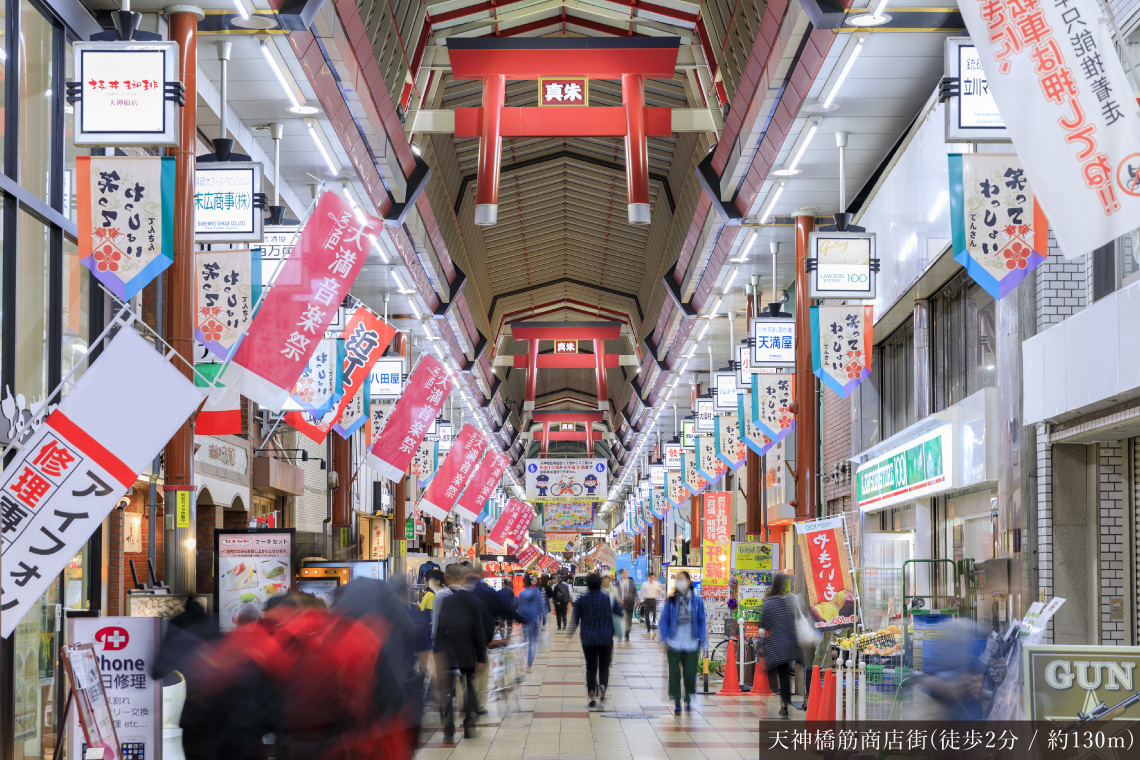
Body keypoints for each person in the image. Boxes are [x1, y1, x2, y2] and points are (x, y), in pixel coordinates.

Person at [433, 563, 489, 741]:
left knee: (447, 690)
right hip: (467, 652)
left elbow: (440, 628)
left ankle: (448, 725)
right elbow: (478, 631)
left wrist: (437, 652)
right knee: (469, 687)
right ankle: (469, 724)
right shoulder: (474, 601)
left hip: (448, 652)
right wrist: (481, 656)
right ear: (465, 579)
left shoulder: (446, 600)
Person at [567, 573, 621, 709]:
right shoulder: (609, 599)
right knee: (603, 667)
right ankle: (602, 686)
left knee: (590, 668)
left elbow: (574, 621)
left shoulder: (581, 601)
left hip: (588, 639)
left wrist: (568, 637)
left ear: (588, 585)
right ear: (600, 584)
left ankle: (591, 694)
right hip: (605, 638)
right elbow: (620, 613)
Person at [658, 570, 706, 715]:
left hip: (692, 642)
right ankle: (677, 701)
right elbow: (664, 620)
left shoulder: (697, 601)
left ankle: (688, 699)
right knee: (674, 674)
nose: (679, 581)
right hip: (674, 642)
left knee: (690, 674)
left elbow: (701, 621)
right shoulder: (671, 601)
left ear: (689, 582)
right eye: (677, 579)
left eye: (682, 579)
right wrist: (664, 638)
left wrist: (703, 640)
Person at [758, 573, 804, 718]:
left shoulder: (769, 603)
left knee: (778, 673)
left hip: (776, 645)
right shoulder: (789, 601)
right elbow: (794, 622)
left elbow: (764, 624)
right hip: (789, 643)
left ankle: (782, 702)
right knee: (785, 675)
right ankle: (785, 703)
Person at [517, 575, 546, 668]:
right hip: (534, 620)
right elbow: (541, 606)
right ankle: (529, 663)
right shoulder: (537, 592)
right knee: (532, 642)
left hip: (525, 621)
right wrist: (544, 619)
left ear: (524, 583)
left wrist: (519, 618)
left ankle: (523, 660)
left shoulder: (521, 594)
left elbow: (519, 607)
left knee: (525, 641)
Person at [617, 568, 637, 641]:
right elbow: (616, 593)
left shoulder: (631, 582)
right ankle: (620, 634)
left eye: (627, 573)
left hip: (630, 602)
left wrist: (637, 599)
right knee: (622, 618)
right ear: (621, 574)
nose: (626, 574)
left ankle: (627, 634)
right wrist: (618, 599)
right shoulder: (618, 583)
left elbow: (635, 591)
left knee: (629, 619)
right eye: (624, 573)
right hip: (621, 603)